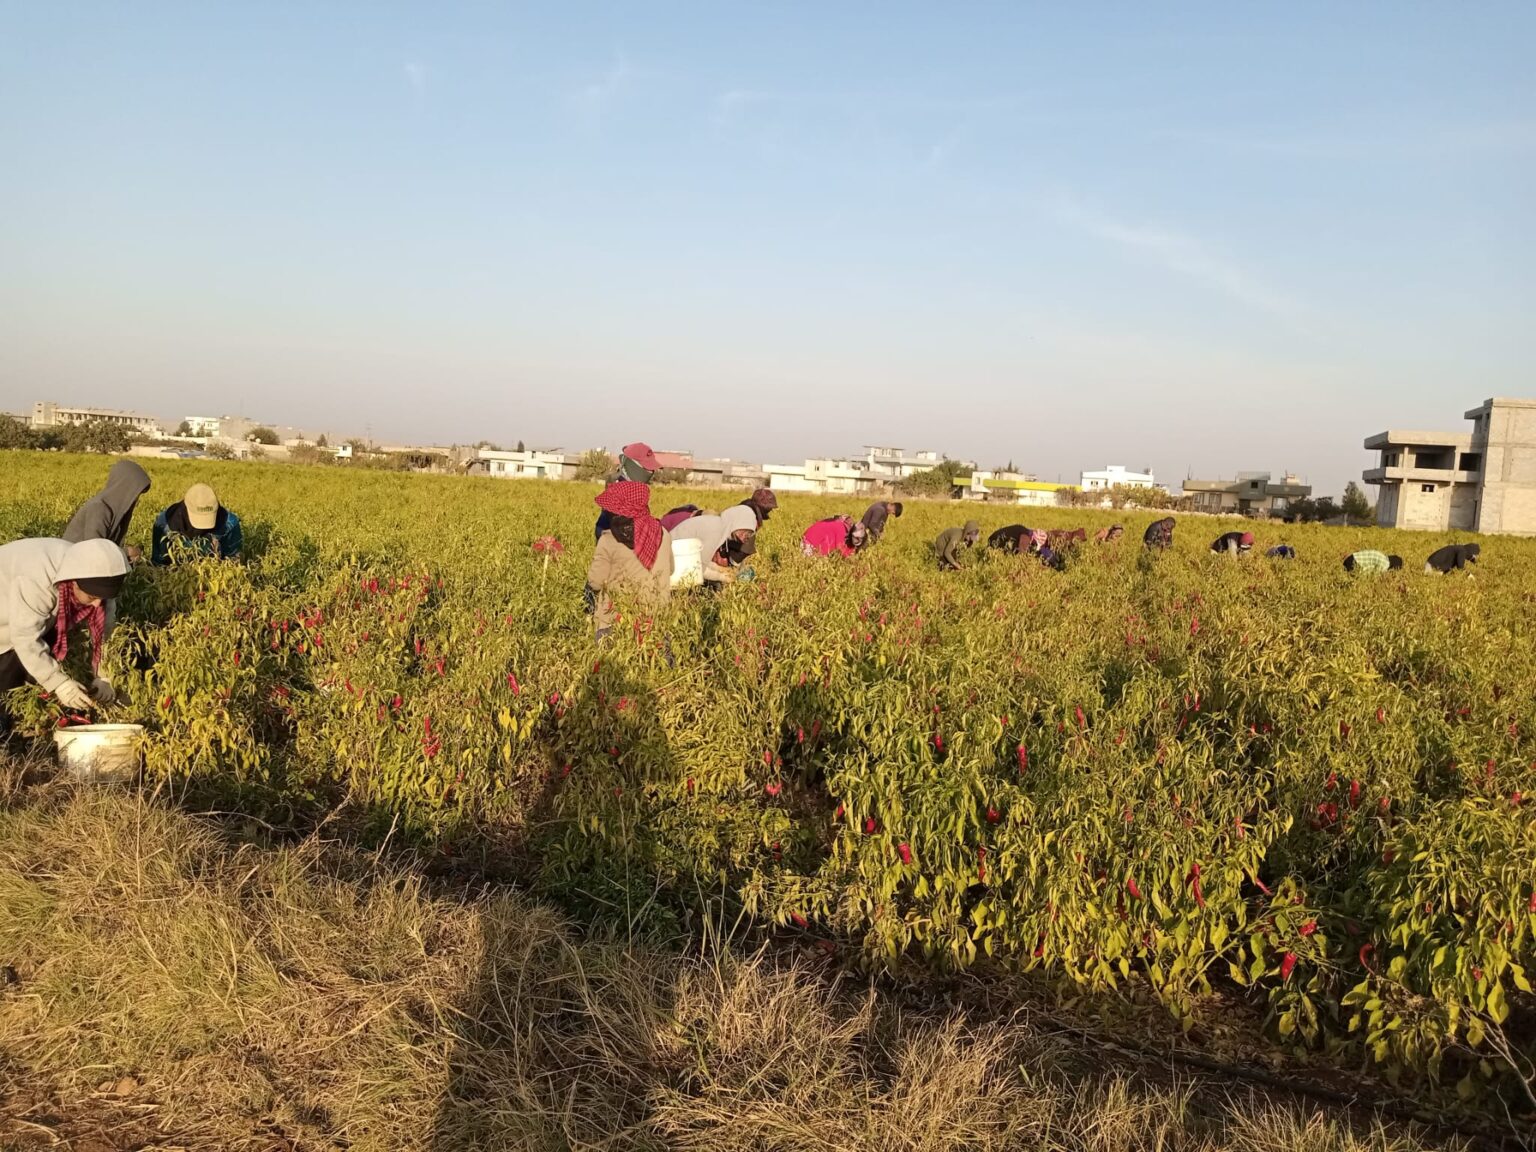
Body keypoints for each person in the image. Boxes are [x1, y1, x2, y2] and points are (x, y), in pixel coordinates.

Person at [1, 538, 130, 728]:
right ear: (74, 583)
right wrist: (58, 683)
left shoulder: (96, 578)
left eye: (102, 599)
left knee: (33, 669)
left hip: (27, 619)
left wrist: (104, 675)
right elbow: (25, 638)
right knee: (7, 678)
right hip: (7, 617)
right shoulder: (36, 580)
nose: (96, 604)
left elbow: (105, 634)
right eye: (92, 597)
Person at [584, 482, 673, 639]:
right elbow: (671, 569)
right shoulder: (663, 533)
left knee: (612, 662)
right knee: (658, 661)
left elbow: (595, 582)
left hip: (616, 619)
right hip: (656, 617)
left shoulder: (609, 539)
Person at [61, 459, 151, 558]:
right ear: (123, 488)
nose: (136, 500)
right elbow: (94, 550)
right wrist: (127, 552)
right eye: (134, 494)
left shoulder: (114, 511)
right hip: (73, 564)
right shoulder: (99, 508)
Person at [150, 484, 243, 566]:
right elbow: (159, 564)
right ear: (185, 509)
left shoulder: (228, 524)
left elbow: (233, 563)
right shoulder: (165, 524)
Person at [671, 506, 757, 583]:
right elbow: (699, 569)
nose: (743, 537)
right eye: (743, 530)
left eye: (748, 535)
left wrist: (719, 569)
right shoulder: (717, 531)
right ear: (736, 521)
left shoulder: (719, 525)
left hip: (676, 554)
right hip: (674, 558)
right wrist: (721, 577)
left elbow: (702, 559)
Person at [593, 443, 660, 541]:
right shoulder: (619, 490)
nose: (651, 472)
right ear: (631, 464)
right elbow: (604, 528)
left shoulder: (638, 491)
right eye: (647, 468)